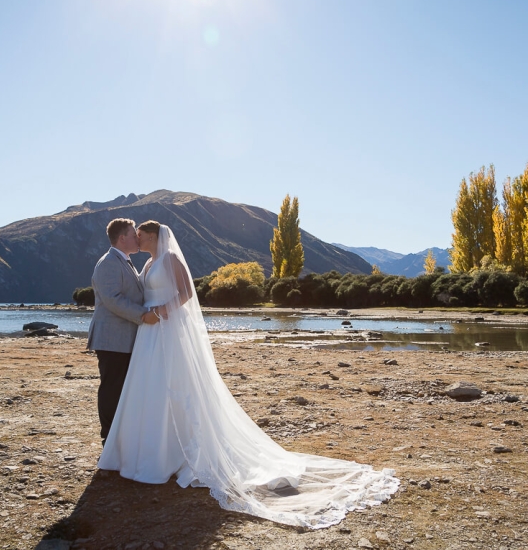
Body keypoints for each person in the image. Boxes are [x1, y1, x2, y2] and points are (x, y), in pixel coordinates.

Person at [98, 221, 399, 529]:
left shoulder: (170, 259)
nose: (137, 238)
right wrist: (149, 313)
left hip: (165, 328)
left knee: (173, 386)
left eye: (142, 235)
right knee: (151, 389)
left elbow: (186, 292)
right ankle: (148, 451)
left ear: (153, 236)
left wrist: (164, 310)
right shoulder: (146, 263)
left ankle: (175, 452)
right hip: (149, 334)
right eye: (135, 236)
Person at [87, 218, 159, 445]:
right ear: (121, 238)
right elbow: (112, 299)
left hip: (123, 338)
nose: (137, 238)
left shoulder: (124, 261)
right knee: (111, 388)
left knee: (121, 388)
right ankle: (108, 439)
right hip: (111, 338)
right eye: (132, 234)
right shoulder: (108, 262)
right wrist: (143, 314)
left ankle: (120, 437)